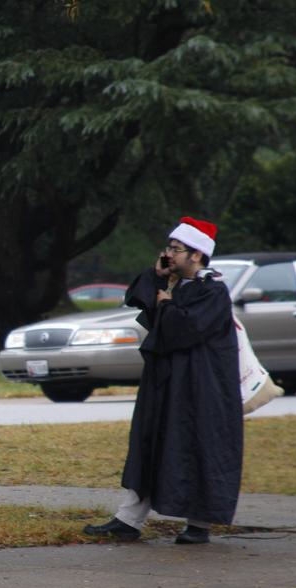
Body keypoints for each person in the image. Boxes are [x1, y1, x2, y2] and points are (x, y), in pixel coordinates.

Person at [83, 217, 243, 545]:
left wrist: (167, 306)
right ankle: (128, 519)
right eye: (168, 247)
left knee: (198, 448)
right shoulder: (175, 285)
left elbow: (187, 330)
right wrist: (157, 277)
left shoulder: (212, 290)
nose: (168, 253)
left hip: (201, 388)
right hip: (167, 383)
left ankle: (199, 524)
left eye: (176, 249)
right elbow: (140, 302)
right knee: (149, 443)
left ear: (197, 254)